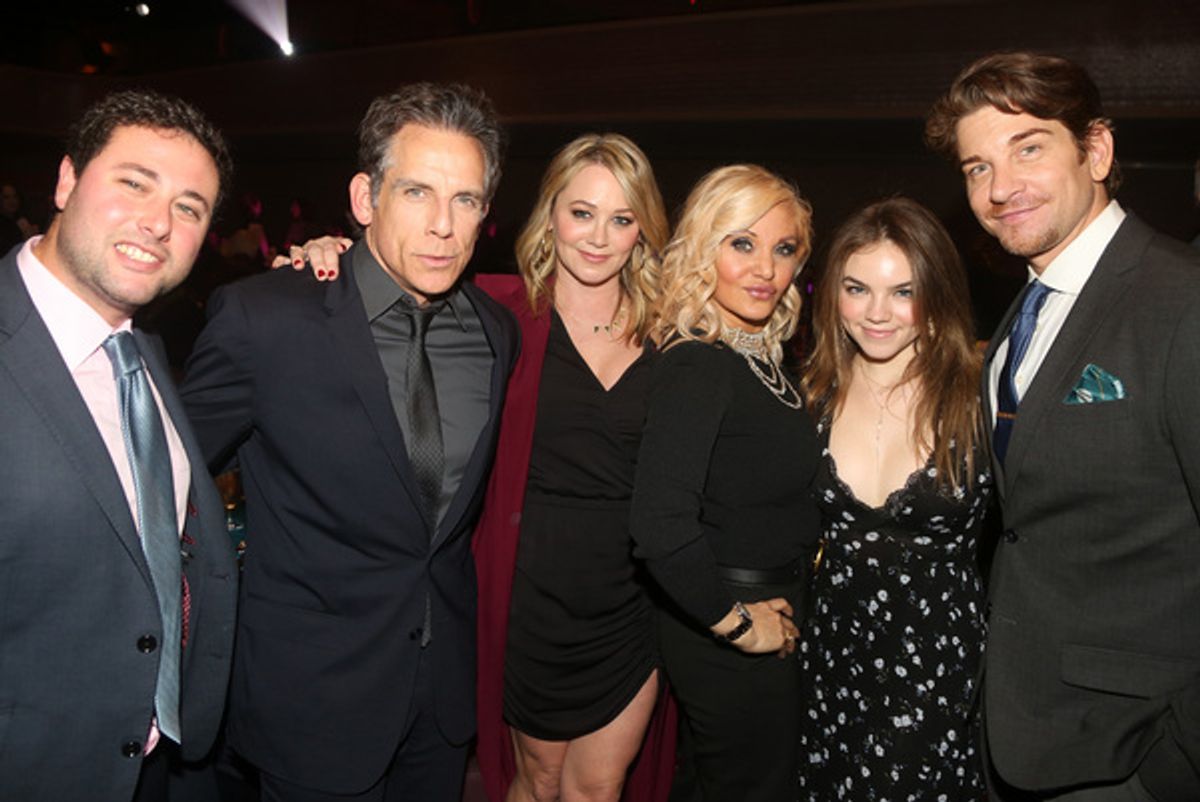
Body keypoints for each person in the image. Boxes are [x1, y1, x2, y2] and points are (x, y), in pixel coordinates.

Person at [180, 82, 520, 802]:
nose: (442, 226)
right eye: (418, 193)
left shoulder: (496, 332)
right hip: (312, 703)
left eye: (465, 201)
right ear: (365, 200)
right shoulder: (267, 320)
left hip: (441, 708)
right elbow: (158, 485)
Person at [925, 51, 1200, 801]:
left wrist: (1172, 766)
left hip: (1135, 755)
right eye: (977, 167)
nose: (999, 188)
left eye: (1029, 148)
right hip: (1031, 731)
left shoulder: (1181, 303)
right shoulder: (1026, 309)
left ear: (1097, 150)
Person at [0, 89, 237, 800]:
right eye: (135, 183)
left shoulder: (144, 356)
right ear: (68, 180)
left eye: (189, 208)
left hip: (155, 765)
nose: (158, 222)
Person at [471, 133, 674, 802]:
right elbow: (385, 291)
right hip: (534, 596)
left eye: (622, 218)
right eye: (582, 212)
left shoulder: (672, 330)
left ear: (642, 228)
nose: (598, 237)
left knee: (599, 786)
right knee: (538, 779)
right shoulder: (495, 312)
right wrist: (322, 255)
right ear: (550, 212)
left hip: (632, 600)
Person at [629, 164, 821, 802]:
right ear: (703, 247)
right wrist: (738, 625)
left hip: (766, 606)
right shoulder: (699, 363)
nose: (765, 268)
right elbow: (658, 527)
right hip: (729, 621)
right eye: (742, 243)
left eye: (784, 248)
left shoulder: (762, 357)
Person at [798, 197, 991, 800]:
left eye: (903, 292)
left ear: (936, 296)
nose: (876, 313)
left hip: (940, 665)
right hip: (831, 657)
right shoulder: (809, 395)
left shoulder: (982, 393)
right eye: (857, 289)